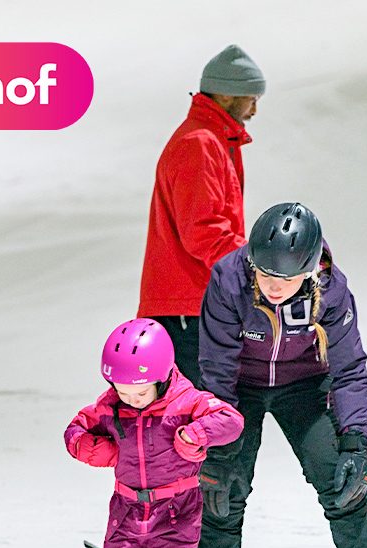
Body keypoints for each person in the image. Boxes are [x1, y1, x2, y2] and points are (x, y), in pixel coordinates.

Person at [195, 202, 367, 548]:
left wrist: (355, 442)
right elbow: (215, 367)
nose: (274, 287)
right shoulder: (228, 279)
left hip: (304, 387)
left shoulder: (332, 289)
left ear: (309, 269)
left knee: (343, 484)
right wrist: (214, 445)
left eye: (287, 279)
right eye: (266, 275)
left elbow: (348, 369)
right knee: (222, 489)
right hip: (238, 389)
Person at [64, 319, 244, 548]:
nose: (130, 398)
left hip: (175, 511)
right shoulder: (112, 405)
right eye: (121, 390)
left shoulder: (186, 401)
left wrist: (197, 433)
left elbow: (231, 420)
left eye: (140, 391)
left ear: (162, 376)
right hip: (126, 511)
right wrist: (88, 447)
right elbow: (77, 428)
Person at [137, 44, 266, 386]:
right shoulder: (199, 143)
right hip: (187, 307)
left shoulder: (214, 141)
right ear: (226, 95)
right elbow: (203, 231)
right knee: (205, 418)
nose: (254, 109)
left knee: (213, 418)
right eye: (251, 98)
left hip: (197, 303)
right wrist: (257, 265)